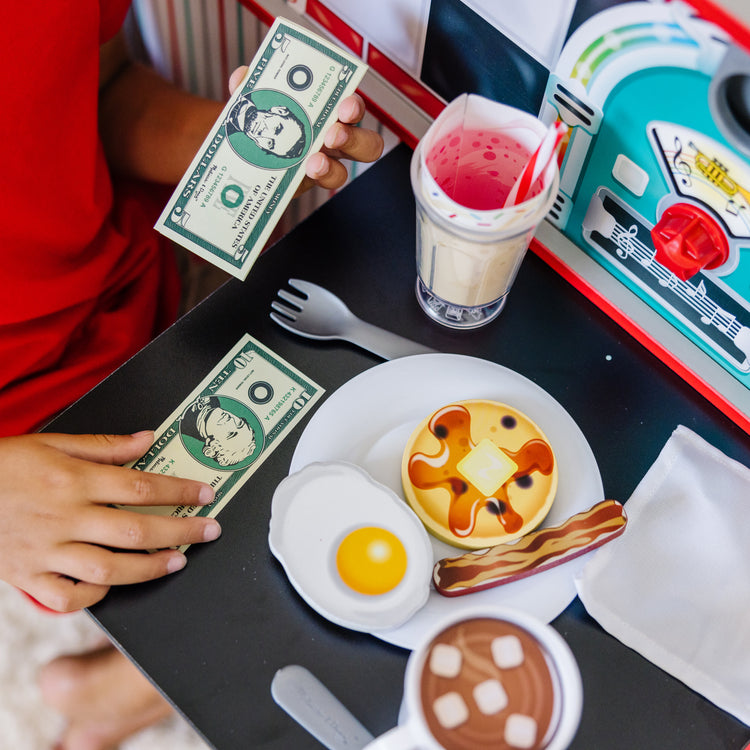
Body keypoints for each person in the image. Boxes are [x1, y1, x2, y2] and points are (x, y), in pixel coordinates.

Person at [0, 3, 384, 749]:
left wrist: (240, 151)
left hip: (145, 306)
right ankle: (122, 688)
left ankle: (119, 687)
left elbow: (100, 92)